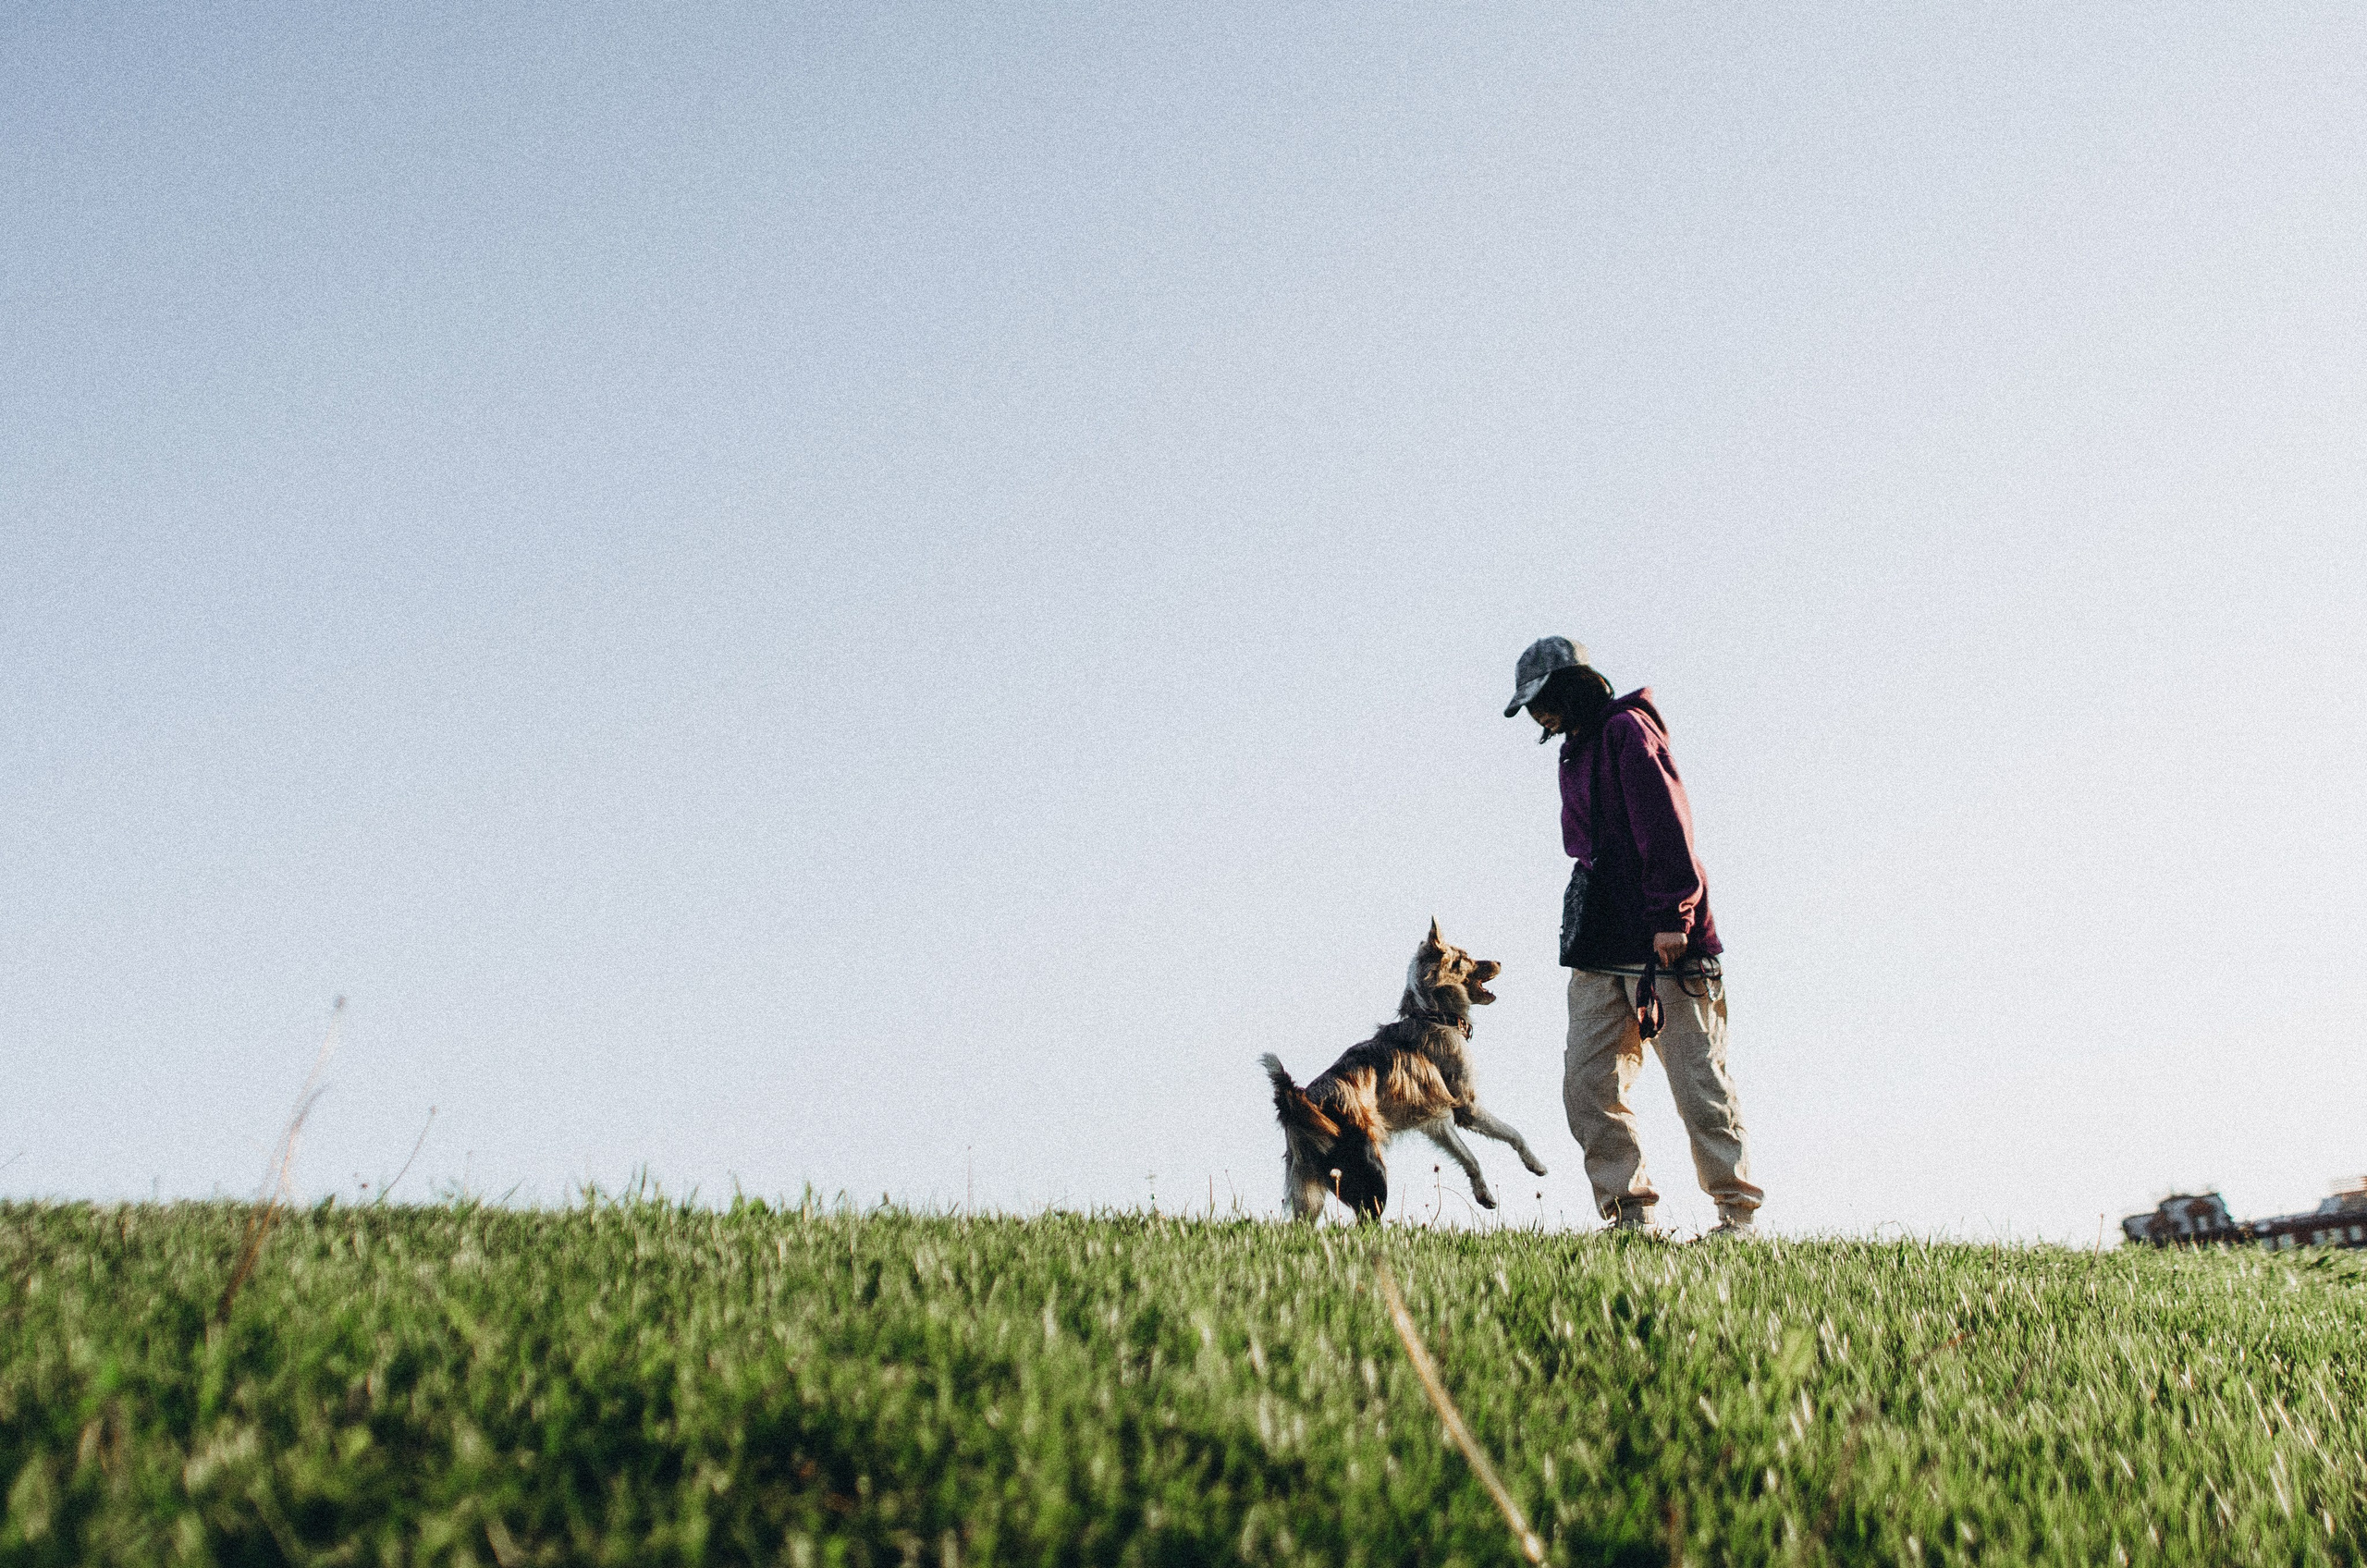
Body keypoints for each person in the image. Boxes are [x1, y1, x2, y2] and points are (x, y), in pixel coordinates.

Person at [1505, 636, 1763, 1238]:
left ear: (1570, 688)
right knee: (1588, 1082)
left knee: (1698, 1082)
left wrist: (1674, 913)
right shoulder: (1572, 752)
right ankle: (1629, 1212)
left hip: (1663, 940)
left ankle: (1737, 1216)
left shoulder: (1627, 731)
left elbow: (1664, 819)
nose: (1538, 716)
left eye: (1542, 699)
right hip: (1599, 946)